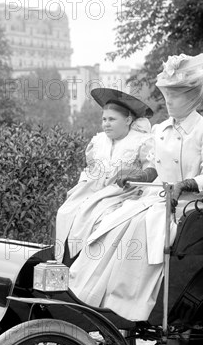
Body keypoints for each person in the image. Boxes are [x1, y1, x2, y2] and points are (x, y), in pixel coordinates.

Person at [68, 50, 203, 321]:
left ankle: (125, 301)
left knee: (139, 228)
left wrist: (184, 184)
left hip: (192, 204)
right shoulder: (161, 130)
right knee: (112, 221)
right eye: (167, 95)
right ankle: (89, 292)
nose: (169, 102)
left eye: (175, 95)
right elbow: (155, 168)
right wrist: (140, 176)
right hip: (157, 197)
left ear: (191, 97)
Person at [55, 88, 156, 262]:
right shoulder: (99, 141)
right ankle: (64, 262)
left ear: (128, 120)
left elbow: (152, 169)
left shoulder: (141, 141)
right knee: (66, 211)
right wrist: (85, 183)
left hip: (124, 193)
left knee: (98, 218)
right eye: (104, 119)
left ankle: (86, 263)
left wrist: (137, 176)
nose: (106, 124)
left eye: (112, 119)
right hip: (93, 190)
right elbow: (92, 168)